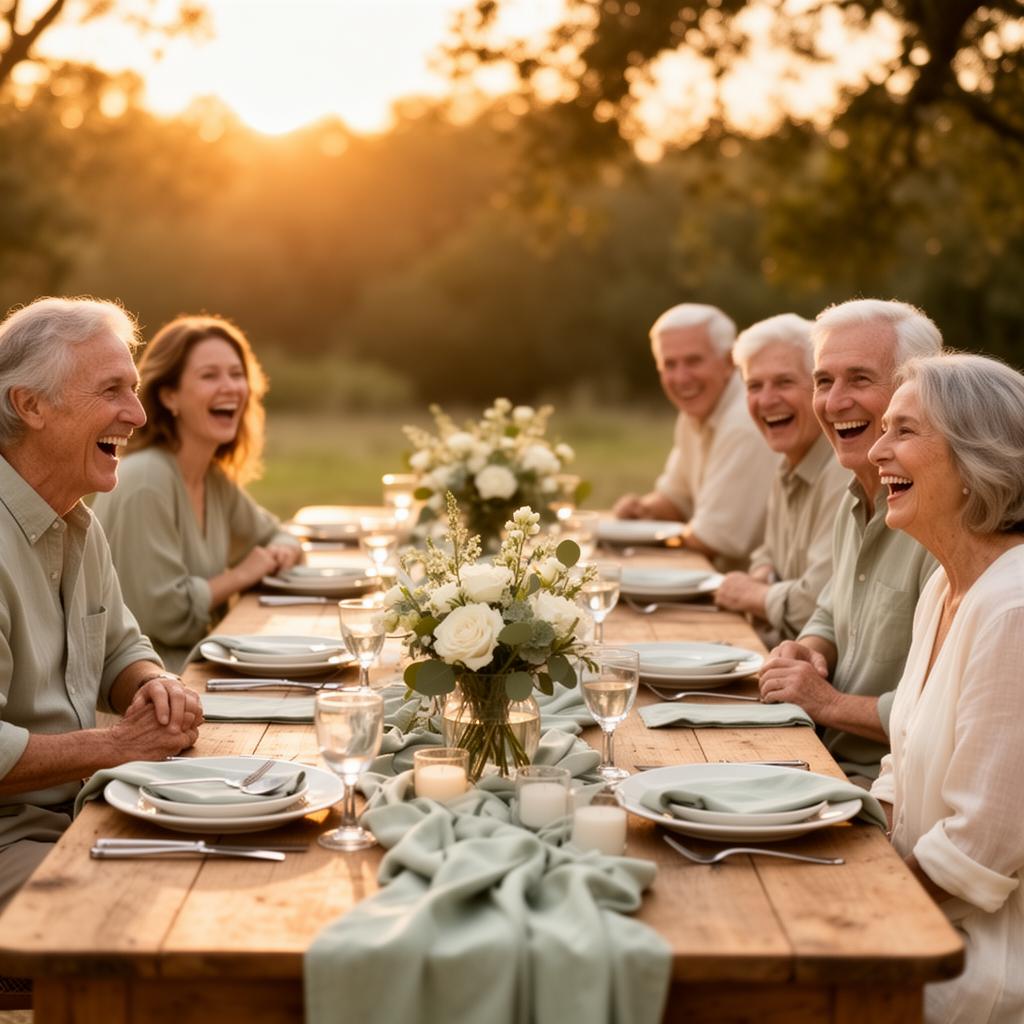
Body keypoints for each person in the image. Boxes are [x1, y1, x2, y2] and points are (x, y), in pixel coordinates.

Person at [0, 297, 202, 912]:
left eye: (134, 390)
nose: (137, 414)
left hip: (84, 809)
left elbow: (120, 647)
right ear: (30, 405)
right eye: (112, 390)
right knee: (156, 908)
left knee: (215, 866)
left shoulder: (76, 520)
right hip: (11, 838)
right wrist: (117, 747)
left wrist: (154, 684)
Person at [868, 354, 1024, 1024]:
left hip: (978, 964)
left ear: (977, 455)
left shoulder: (1013, 609)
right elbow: (900, 761)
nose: (877, 451)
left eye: (903, 430)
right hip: (917, 916)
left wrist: (860, 908)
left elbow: (981, 845)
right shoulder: (945, 585)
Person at [757, 299, 941, 783]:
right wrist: (808, 649)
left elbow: (943, 712)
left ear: (915, 391)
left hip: (878, 785)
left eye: (859, 379)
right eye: (823, 381)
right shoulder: (855, 495)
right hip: (816, 754)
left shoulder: (942, 520)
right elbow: (831, 609)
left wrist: (827, 702)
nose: (834, 402)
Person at [93, 316, 301, 672]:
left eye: (236, 374)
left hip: (206, 666)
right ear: (169, 396)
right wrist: (241, 575)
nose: (230, 387)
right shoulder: (146, 479)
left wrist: (281, 552)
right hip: (156, 683)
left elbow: (277, 536)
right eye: (209, 376)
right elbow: (165, 615)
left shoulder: (213, 479)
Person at [612, 303, 777, 571]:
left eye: (693, 361)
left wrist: (632, 539)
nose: (681, 378)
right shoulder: (695, 413)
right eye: (670, 364)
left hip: (750, 589)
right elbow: (676, 499)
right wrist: (643, 509)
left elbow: (710, 539)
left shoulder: (745, 421)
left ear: (729, 362)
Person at [714, 314, 848, 641]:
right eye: (754, 386)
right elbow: (766, 554)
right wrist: (764, 575)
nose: (766, 400)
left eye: (784, 382)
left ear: (820, 389)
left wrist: (752, 594)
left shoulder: (844, 471)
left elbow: (815, 606)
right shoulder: (788, 463)